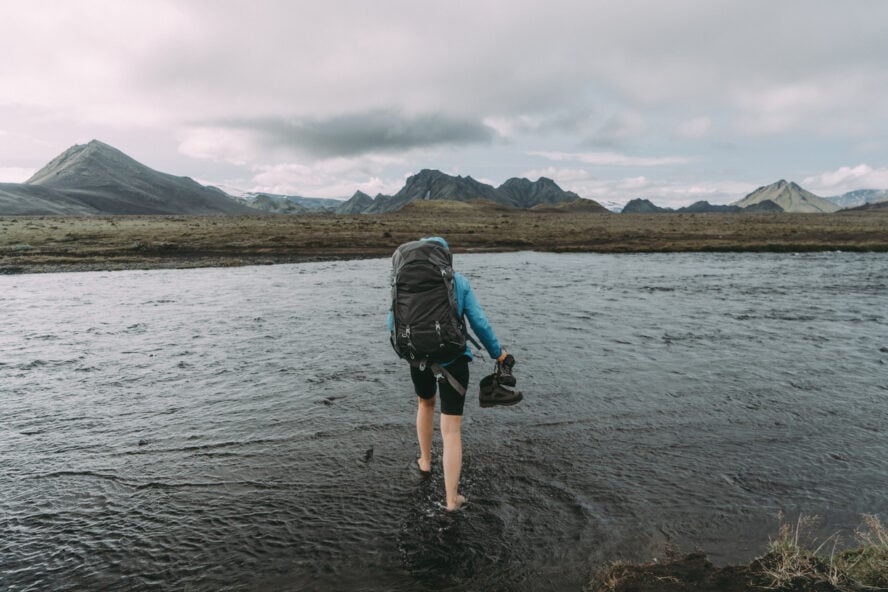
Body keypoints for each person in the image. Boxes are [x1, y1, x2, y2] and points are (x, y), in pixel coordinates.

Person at [388, 236, 512, 511]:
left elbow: (392, 320)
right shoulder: (458, 281)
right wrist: (497, 353)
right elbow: (479, 322)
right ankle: (451, 499)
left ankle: (424, 461)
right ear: (444, 257)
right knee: (451, 429)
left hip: (417, 359)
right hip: (453, 359)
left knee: (424, 403)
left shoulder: (403, 282)